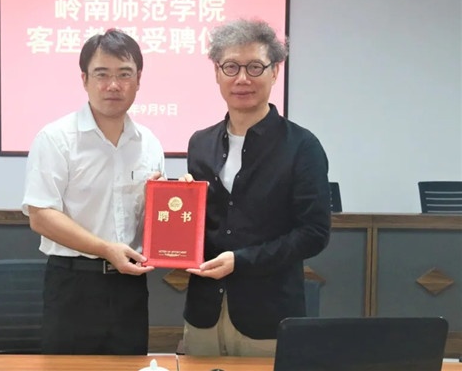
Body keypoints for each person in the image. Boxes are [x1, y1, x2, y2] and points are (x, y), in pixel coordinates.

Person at [181, 19, 331, 357]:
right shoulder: (200, 143)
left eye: (255, 67)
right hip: (203, 313)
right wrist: (176, 214)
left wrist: (241, 260)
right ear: (217, 72)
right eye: (231, 67)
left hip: (268, 317)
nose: (242, 78)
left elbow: (314, 233)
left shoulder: (302, 146)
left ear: (275, 71)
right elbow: (203, 227)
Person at [21, 29, 165, 355]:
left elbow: (150, 222)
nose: (113, 85)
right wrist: (105, 249)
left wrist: (173, 203)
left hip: (130, 285)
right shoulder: (56, 138)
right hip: (74, 284)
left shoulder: (149, 143)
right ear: (84, 80)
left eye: (124, 74)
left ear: (138, 80)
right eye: (102, 74)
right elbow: (41, 216)